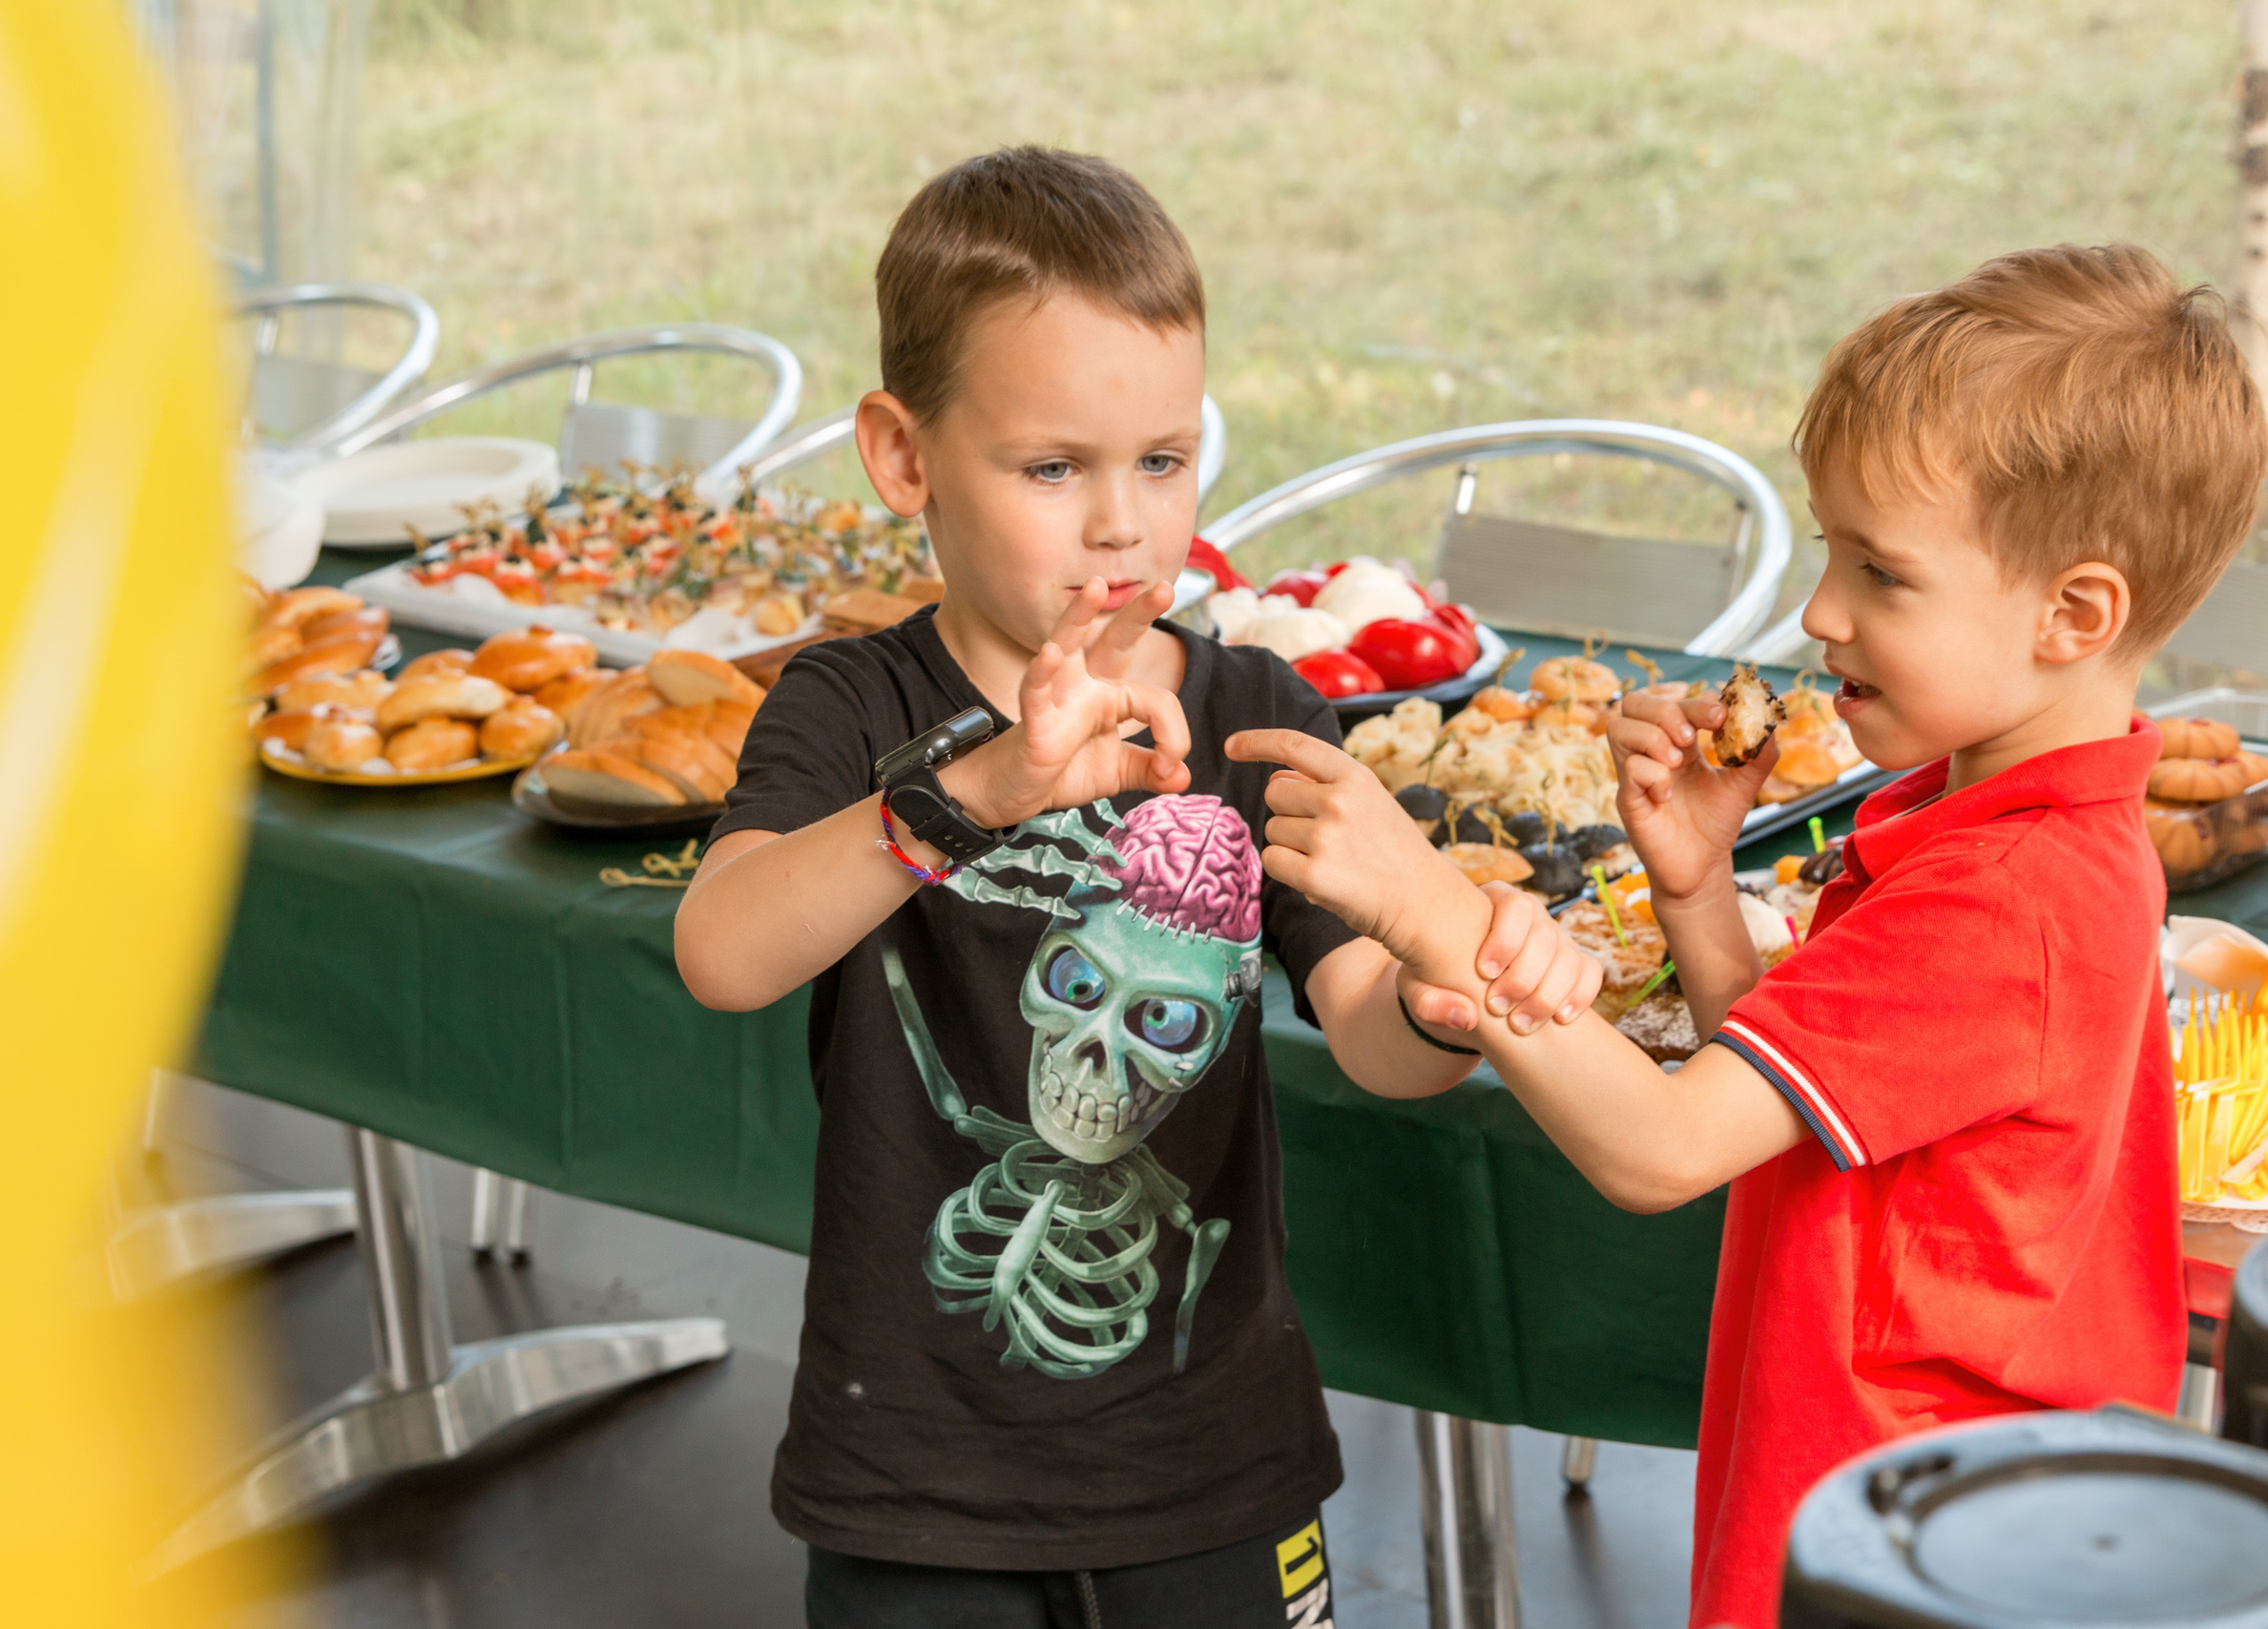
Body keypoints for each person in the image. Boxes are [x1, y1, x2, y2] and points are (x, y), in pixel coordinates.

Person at [1230, 242, 2268, 1626]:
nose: (1819, 612)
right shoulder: (1994, 816)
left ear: (2074, 613)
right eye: (1829, 550)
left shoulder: (2006, 893)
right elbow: (1794, 1094)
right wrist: (1699, 887)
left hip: (1900, 1533)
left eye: (1881, 575)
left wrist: (1433, 910)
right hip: (1947, 1508)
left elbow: (1662, 1151)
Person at [675, 146, 1600, 1629]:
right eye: (1054, 468)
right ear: (904, 458)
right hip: (913, 1482)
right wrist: (975, 795)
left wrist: (1442, 1003)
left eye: (1163, 461)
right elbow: (723, 951)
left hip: (1213, 1471)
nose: (1124, 525)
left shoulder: (1255, 709)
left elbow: (1366, 1020)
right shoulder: (850, 710)